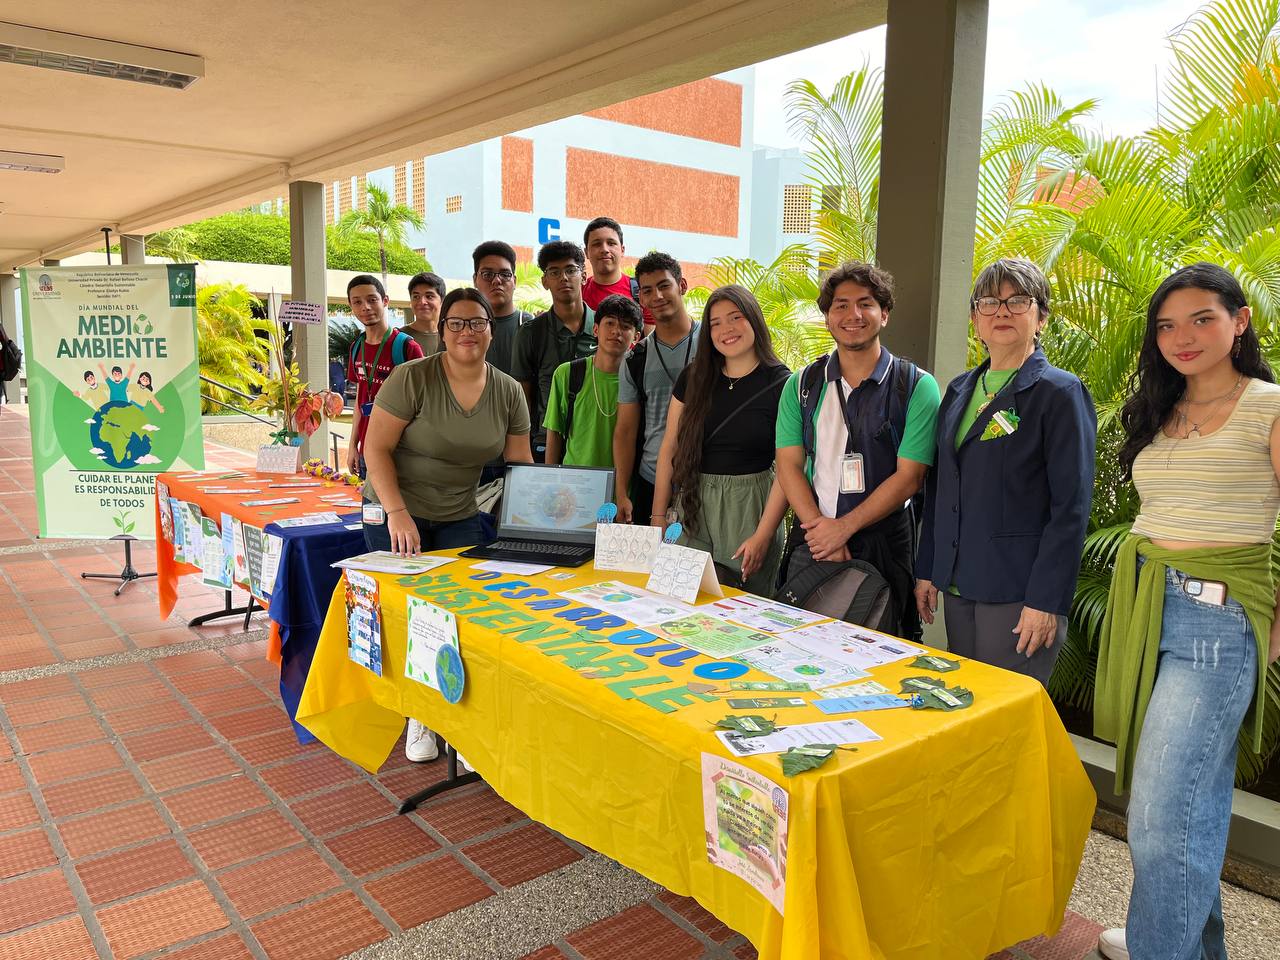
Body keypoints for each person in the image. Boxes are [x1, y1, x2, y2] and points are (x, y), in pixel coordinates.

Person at [1093, 264, 1280, 960]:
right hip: (1151, 613)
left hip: (1216, 627)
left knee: (1158, 819)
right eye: (1167, 325)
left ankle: (1156, 948)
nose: (1183, 336)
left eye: (1203, 318)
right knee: (1187, 808)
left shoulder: (1269, 405)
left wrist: (1273, 629)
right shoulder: (1163, 411)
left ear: (1240, 320)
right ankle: (1184, 948)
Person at [362, 287, 532, 763]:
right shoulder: (411, 377)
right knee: (410, 611)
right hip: (394, 509)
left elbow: (520, 466)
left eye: (476, 323)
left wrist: (541, 524)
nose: (466, 332)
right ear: (442, 329)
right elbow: (374, 449)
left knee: (459, 614)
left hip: (459, 512)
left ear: (491, 331)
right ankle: (420, 714)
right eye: (456, 323)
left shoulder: (508, 391)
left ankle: (457, 719)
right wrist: (398, 514)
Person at [913, 259, 1096, 684]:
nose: (1002, 312)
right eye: (990, 302)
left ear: (1041, 317)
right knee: (968, 706)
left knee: (1007, 719)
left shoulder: (1060, 392)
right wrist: (928, 569)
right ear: (976, 319)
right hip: (960, 585)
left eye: (1017, 301)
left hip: (1019, 594)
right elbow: (939, 489)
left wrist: (1045, 601)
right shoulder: (959, 389)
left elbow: (1070, 508)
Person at [775, 262, 941, 640]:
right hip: (812, 540)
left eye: (865, 304)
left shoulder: (916, 386)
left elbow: (910, 476)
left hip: (884, 544)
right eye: (840, 305)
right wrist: (822, 532)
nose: (853, 315)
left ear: (884, 313)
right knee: (798, 647)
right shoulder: (801, 386)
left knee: (885, 652)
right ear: (828, 318)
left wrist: (843, 530)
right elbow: (788, 466)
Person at [650, 285, 791, 594]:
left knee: (740, 611)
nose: (726, 329)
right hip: (692, 504)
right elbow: (668, 449)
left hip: (750, 506)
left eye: (736, 317)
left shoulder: (782, 384)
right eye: (715, 323)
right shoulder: (694, 376)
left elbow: (787, 470)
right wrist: (658, 516)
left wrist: (763, 535)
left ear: (754, 319)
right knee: (682, 600)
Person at [615, 252, 701, 524]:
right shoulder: (634, 359)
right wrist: (620, 492)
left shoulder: (714, 345)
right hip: (651, 479)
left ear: (682, 286)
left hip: (706, 478)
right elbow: (625, 431)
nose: (657, 296)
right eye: (647, 291)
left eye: (665, 286)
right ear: (640, 299)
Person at [512, 241, 596, 461]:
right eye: (554, 272)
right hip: (544, 441)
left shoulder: (605, 327)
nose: (564, 278)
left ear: (584, 276)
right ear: (544, 281)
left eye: (571, 270)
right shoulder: (530, 333)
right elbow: (523, 397)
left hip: (593, 442)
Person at [543, 294, 643, 467]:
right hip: (574, 486)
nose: (616, 331)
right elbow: (554, 433)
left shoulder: (639, 380)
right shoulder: (568, 373)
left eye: (625, 326)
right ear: (595, 330)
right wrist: (552, 479)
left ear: (636, 337)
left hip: (621, 487)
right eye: (610, 323)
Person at [345, 274, 424, 478]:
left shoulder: (407, 347)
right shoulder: (356, 348)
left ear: (385, 301)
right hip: (366, 453)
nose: (366, 307)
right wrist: (353, 445)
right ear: (351, 306)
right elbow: (360, 401)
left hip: (399, 456)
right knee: (370, 510)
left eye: (372, 300)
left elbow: (424, 404)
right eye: (358, 302)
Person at [472, 241, 534, 377]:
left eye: (505, 274)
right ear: (475, 280)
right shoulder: (459, 327)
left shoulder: (531, 326)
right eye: (487, 274)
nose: (496, 281)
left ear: (515, 281)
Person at [581, 216, 652, 334]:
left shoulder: (642, 291)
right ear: (586, 252)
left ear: (622, 250)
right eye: (597, 244)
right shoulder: (578, 293)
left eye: (611, 243)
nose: (604, 249)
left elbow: (651, 345)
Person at [401, 271, 445, 356]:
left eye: (429, 296)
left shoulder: (452, 336)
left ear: (442, 301)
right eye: (416, 297)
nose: (422, 302)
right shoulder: (398, 338)